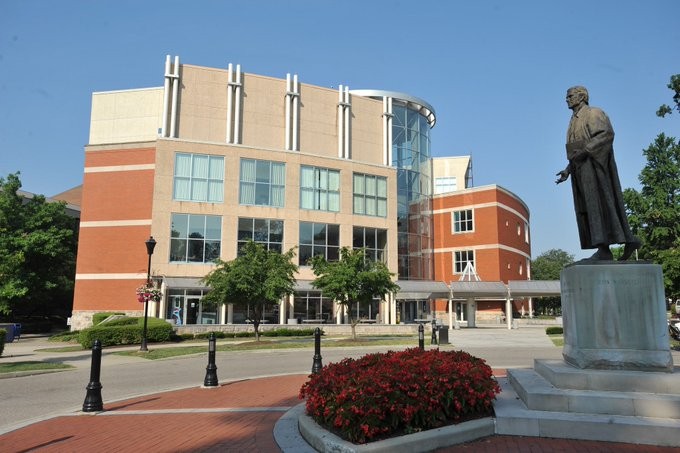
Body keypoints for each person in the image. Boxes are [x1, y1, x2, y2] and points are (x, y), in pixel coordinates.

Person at [555, 86, 640, 261]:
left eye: (570, 96)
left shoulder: (594, 113)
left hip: (595, 168)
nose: (567, 99)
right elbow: (575, 152)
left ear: (582, 96)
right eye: (567, 97)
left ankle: (605, 248)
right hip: (580, 170)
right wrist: (567, 170)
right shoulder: (572, 121)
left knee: (598, 206)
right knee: (587, 208)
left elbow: (606, 135)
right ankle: (624, 242)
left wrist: (586, 151)